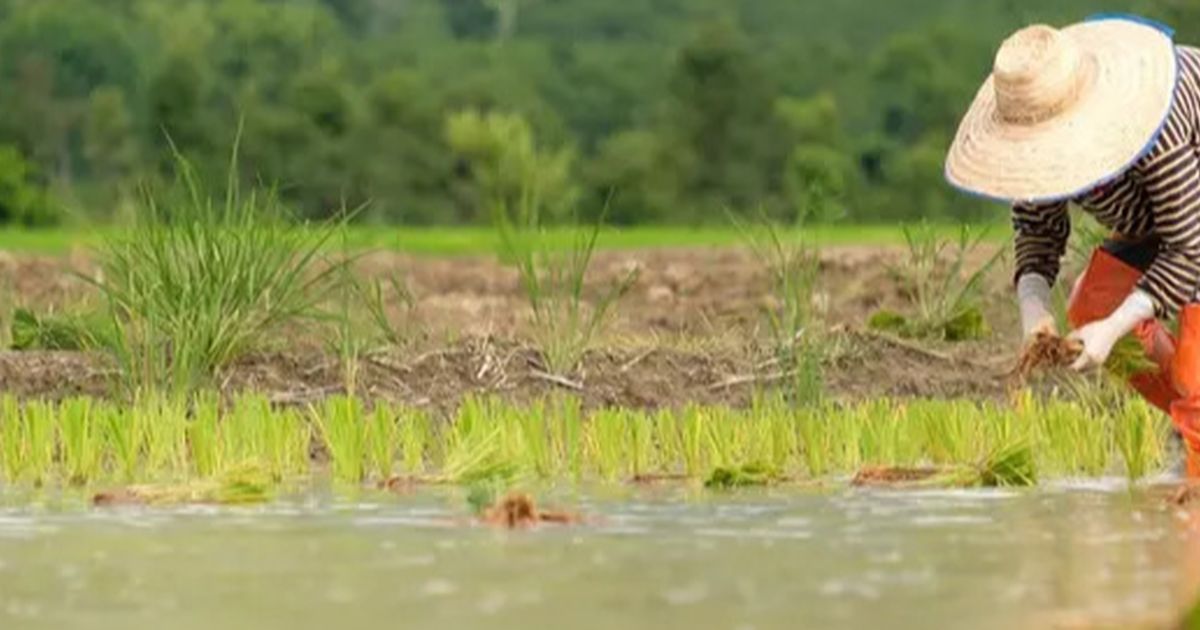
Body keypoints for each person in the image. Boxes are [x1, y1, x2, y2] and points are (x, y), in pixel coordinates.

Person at [944, 14, 1200, 475]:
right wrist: (1034, 314)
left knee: (1194, 367)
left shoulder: (1158, 118)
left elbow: (1188, 247)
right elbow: (1037, 233)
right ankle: (1193, 423)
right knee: (1093, 304)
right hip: (1160, 225)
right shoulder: (1035, 151)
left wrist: (1116, 327)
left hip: (1191, 226)